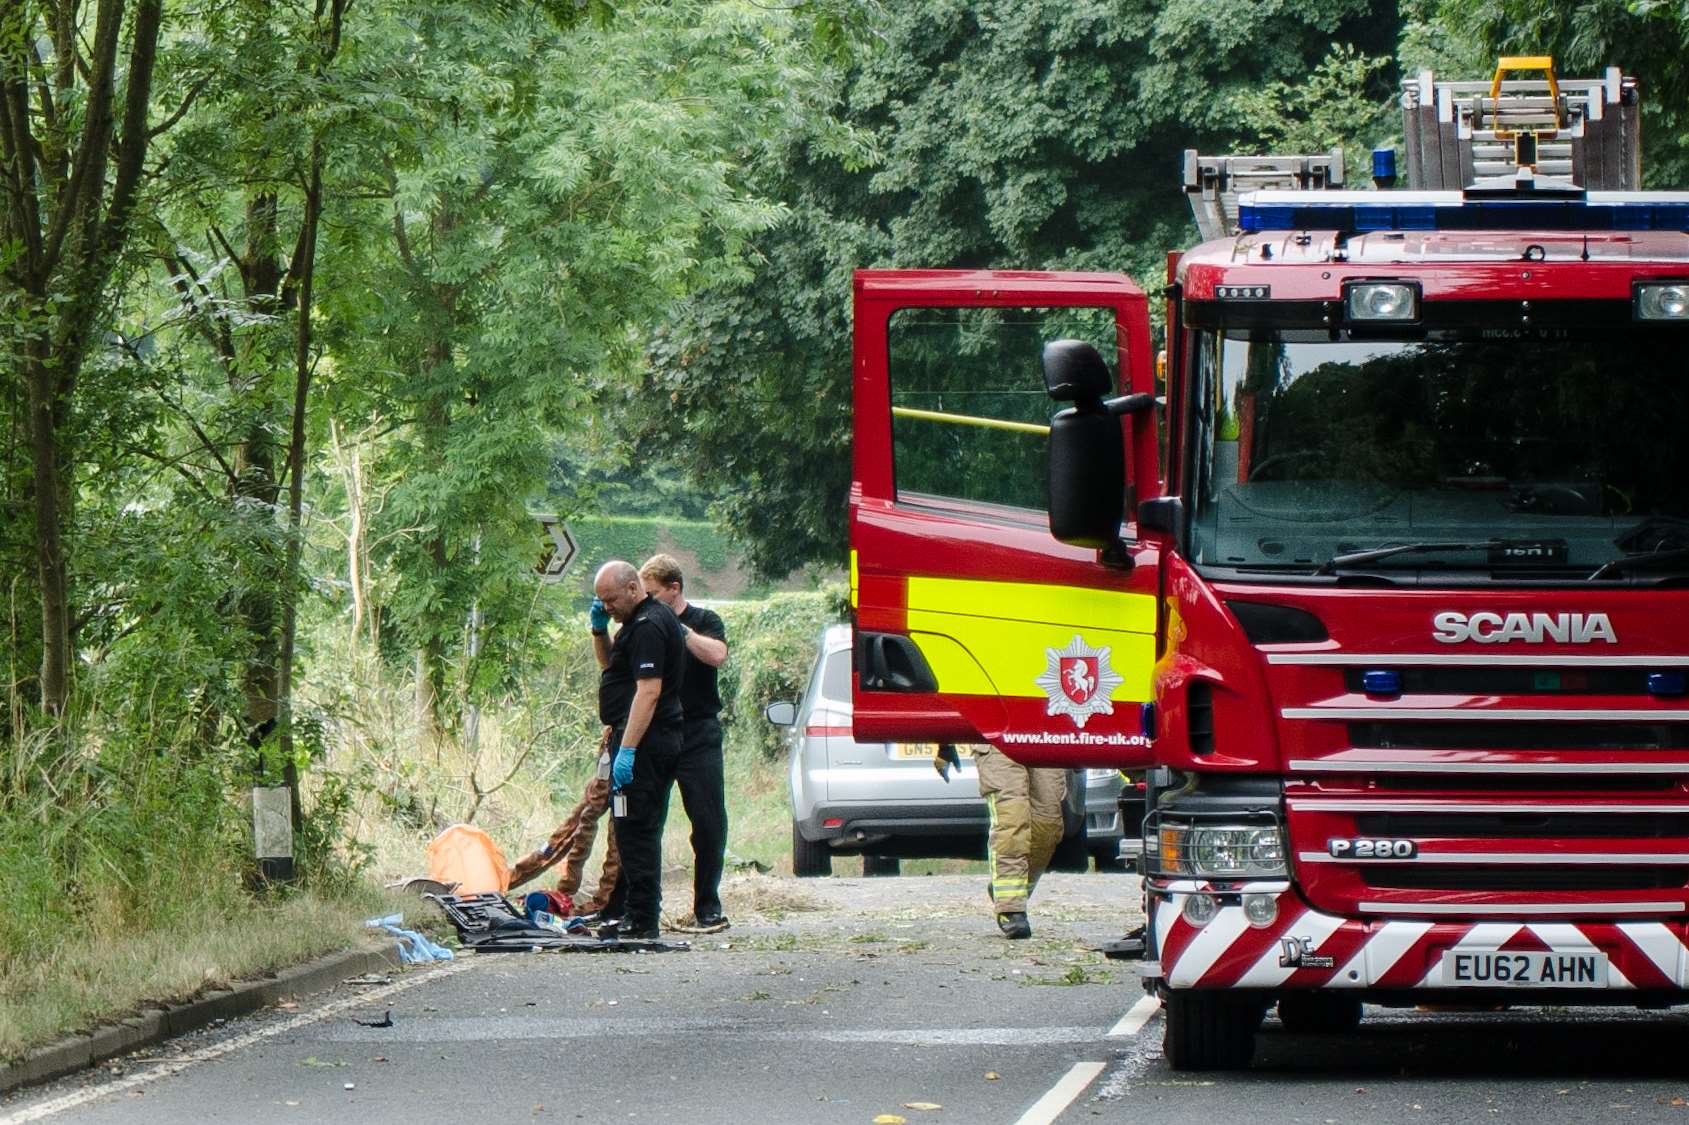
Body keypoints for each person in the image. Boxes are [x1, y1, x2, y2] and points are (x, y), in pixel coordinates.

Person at [589, 559, 686, 940]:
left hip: (644, 744)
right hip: (637, 740)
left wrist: (627, 751)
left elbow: (648, 692)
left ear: (633, 589)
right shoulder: (635, 624)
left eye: (611, 600)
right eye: (601, 602)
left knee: (637, 830)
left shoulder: (649, 625)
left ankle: (643, 917)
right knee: (629, 830)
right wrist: (600, 630)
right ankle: (625, 909)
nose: (607, 607)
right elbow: (613, 667)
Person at [639, 553, 730, 932]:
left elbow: (718, 656)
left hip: (699, 732)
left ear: (674, 589)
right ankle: (643, 906)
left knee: (709, 822)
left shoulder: (705, 620)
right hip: (658, 731)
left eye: (653, 593)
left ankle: (706, 904)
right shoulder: (644, 623)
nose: (648, 600)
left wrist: (683, 633)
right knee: (644, 822)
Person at [972, 745, 1067, 939]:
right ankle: (1011, 908)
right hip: (996, 738)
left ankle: (1009, 890)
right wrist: (945, 746)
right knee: (1011, 822)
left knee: (1048, 827)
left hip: (1043, 736)